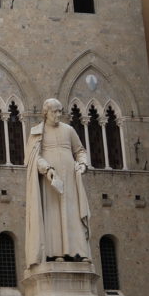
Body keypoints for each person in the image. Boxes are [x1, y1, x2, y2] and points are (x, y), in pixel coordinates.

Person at [25, 97, 92, 267]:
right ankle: (55, 253)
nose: (57, 115)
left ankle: (78, 252)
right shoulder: (37, 133)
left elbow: (80, 151)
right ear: (45, 113)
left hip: (70, 179)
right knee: (52, 215)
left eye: (59, 111)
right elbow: (34, 158)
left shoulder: (68, 130)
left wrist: (83, 164)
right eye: (54, 111)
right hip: (51, 181)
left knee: (72, 214)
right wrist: (47, 169)